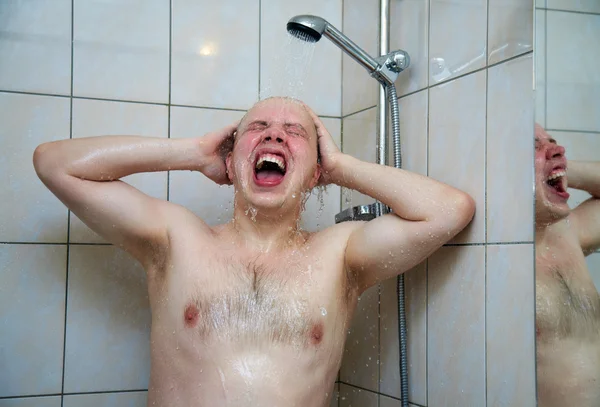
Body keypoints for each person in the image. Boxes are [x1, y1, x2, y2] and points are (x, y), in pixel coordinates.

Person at [33, 97, 475, 407]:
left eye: (295, 133)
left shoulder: (340, 255)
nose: (276, 137)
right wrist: (191, 153)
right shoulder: (177, 239)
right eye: (258, 129)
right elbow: (54, 164)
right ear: (229, 162)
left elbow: (450, 211)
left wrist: (342, 168)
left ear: (314, 172)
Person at [535, 124, 600, 407]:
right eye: (533, 144)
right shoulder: (492, 258)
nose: (557, 148)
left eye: (554, 142)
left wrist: (556, 165)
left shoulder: (566, 232)